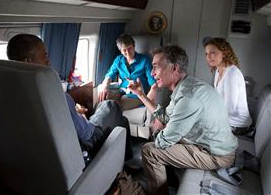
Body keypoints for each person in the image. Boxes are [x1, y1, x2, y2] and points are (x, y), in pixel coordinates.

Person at [127, 45, 238, 194]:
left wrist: (156, 132)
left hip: (217, 155)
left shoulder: (188, 98)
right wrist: (140, 94)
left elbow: (162, 142)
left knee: (149, 151)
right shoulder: (186, 85)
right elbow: (166, 116)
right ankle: (168, 179)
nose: (152, 73)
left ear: (175, 69)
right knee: (162, 132)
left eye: (156, 67)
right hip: (208, 144)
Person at [6, 34, 132, 159]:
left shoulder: (11, 94)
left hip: (42, 155)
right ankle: (126, 164)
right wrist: (80, 117)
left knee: (121, 120)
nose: (48, 61)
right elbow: (86, 133)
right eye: (44, 56)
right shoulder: (52, 93)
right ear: (29, 62)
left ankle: (125, 162)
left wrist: (74, 114)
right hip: (85, 146)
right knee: (110, 105)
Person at [203, 37, 252, 135]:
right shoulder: (218, 71)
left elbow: (230, 108)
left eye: (213, 52)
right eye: (206, 54)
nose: (209, 57)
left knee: (199, 128)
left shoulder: (231, 73)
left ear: (224, 53)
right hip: (226, 120)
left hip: (237, 125)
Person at [98, 34, 156, 110]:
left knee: (118, 104)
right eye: (124, 50)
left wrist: (150, 96)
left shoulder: (145, 60)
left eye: (129, 48)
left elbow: (153, 82)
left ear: (134, 46)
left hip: (136, 94)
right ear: (120, 51)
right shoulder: (118, 60)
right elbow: (110, 75)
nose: (127, 53)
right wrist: (105, 86)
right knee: (103, 95)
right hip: (121, 90)